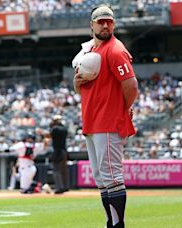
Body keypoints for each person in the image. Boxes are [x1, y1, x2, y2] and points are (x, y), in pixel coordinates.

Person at [72, 5, 138, 228]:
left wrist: (122, 110)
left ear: (114, 24)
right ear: (92, 25)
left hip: (108, 121)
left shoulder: (115, 50)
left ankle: (118, 225)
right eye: (100, 21)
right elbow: (85, 89)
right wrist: (76, 84)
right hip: (92, 121)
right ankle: (111, 222)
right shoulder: (91, 51)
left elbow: (131, 85)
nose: (105, 25)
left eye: (109, 21)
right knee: (102, 180)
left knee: (112, 177)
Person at [50, 114, 69, 194]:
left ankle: (59, 187)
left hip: (57, 151)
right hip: (64, 150)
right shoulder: (64, 129)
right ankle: (65, 187)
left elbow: (52, 132)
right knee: (63, 170)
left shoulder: (55, 129)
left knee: (56, 170)